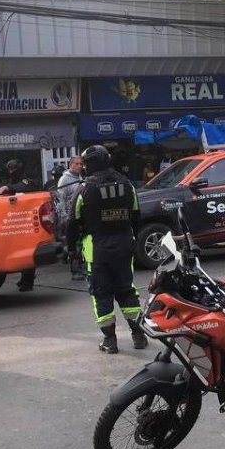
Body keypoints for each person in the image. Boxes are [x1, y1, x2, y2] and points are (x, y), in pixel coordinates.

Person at [66, 145, 147, 354]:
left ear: (89, 164)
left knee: (101, 294)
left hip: (97, 251)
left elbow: (72, 223)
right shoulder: (127, 184)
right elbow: (136, 216)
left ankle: (110, 341)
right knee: (127, 290)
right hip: (124, 246)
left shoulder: (84, 189)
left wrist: (71, 251)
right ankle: (138, 335)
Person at [0, 159, 38, 292]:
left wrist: (7, 188)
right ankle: (24, 277)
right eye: (9, 170)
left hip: (29, 218)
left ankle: (28, 281)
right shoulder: (14, 179)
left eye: (13, 170)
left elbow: (23, 186)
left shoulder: (27, 178)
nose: (11, 172)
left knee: (27, 249)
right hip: (19, 218)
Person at [57, 156, 85, 281]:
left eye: (81, 164)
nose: (79, 166)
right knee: (74, 244)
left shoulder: (80, 177)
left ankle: (77, 264)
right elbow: (60, 199)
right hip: (70, 216)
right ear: (71, 165)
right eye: (77, 164)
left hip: (80, 215)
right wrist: (64, 216)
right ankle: (76, 271)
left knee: (80, 243)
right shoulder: (65, 179)